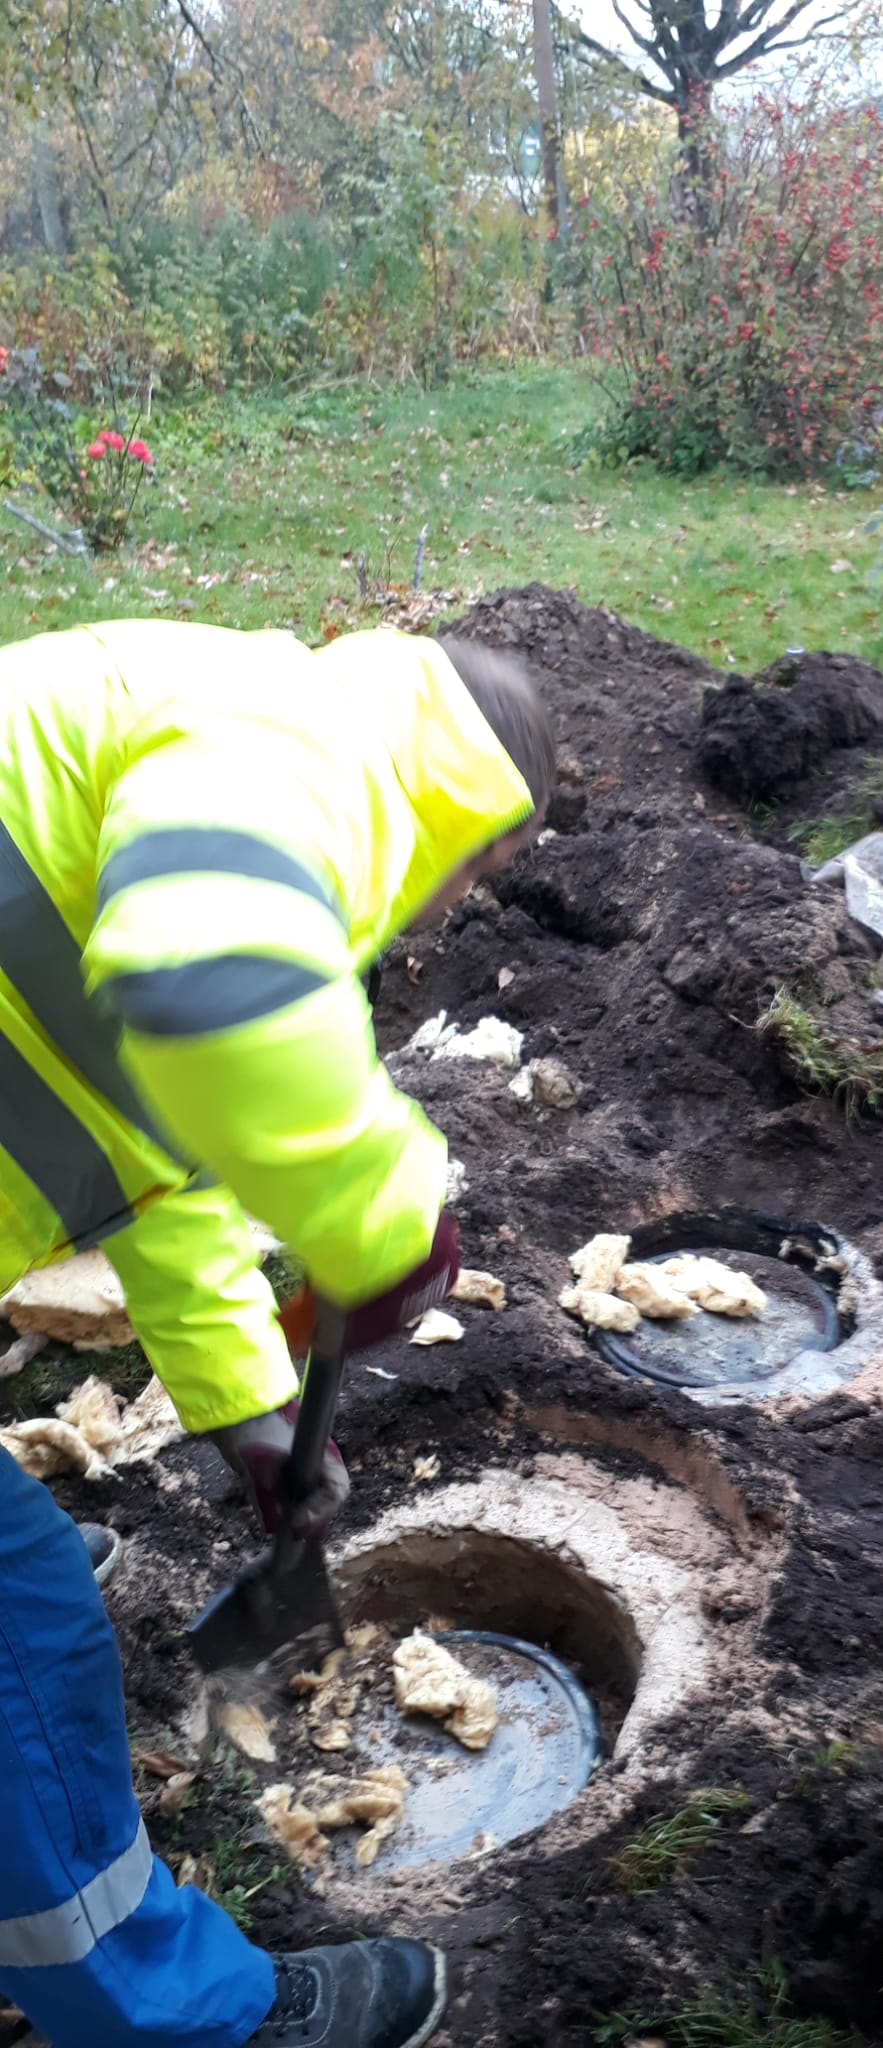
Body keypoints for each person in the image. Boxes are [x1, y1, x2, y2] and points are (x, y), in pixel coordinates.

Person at [0, 619, 555, 2048]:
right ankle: (177, 2025)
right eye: (476, 880)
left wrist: (251, 1409)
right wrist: (385, 1217)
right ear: (469, 826)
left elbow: (140, 1157)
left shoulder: (232, 728)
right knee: (22, 1616)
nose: (444, 914)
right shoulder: (285, 742)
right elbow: (212, 992)